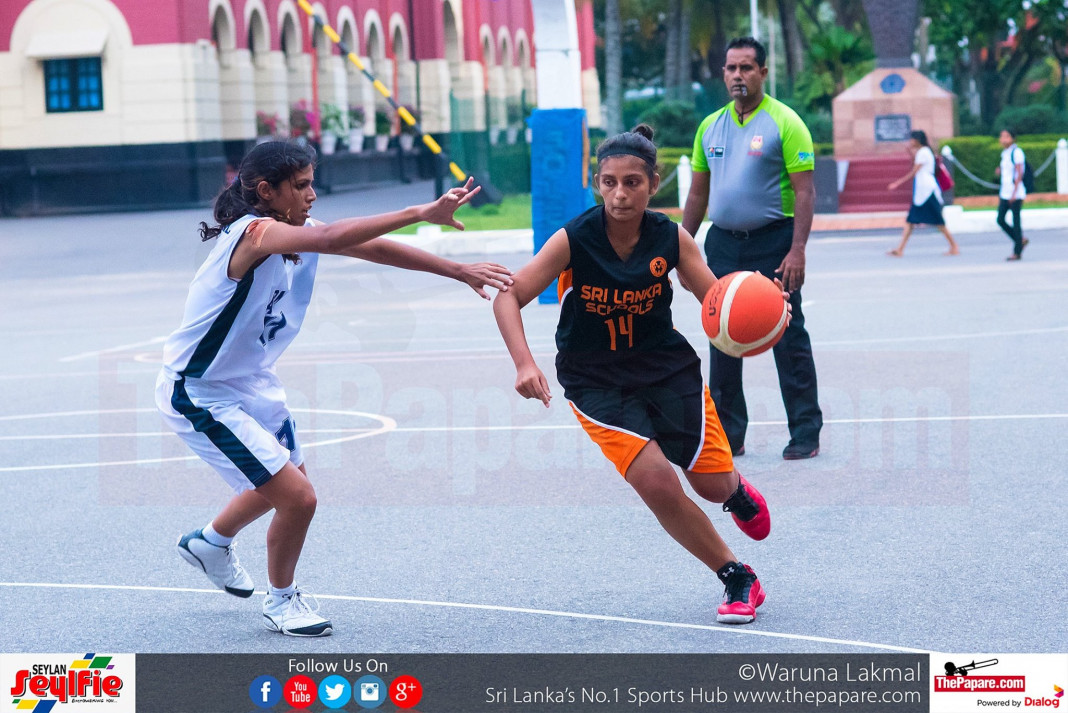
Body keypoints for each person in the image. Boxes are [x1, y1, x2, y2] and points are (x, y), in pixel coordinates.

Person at [157, 140, 512, 637]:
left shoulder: (294, 231)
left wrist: (457, 269)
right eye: (301, 186)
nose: (312, 195)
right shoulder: (255, 234)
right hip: (200, 390)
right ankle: (282, 601)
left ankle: (210, 543)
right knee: (297, 497)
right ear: (267, 191)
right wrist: (419, 210)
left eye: (311, 182)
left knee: (279, 483)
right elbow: (332, 240)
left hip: (250, 382)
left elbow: (370, 247)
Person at [493, 125, 782, 625]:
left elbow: (718, 304)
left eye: (632, 183)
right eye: (608, 183)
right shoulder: (574, 239)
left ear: (654, 183)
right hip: (595, 381)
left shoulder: (672, 238)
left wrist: (766, 315)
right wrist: (524, 362)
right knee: (658, 484)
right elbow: (507, 295)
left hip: (666, 371)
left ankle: (732, 491)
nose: (619, 194)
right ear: (596, 183)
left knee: (709, 486)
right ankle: (737, 575)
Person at [681, 36, 822, 461]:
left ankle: (805, 432)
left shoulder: (786, 122)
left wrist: (797, 250)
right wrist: (678, 248)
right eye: (731, 69)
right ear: (722, 73)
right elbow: (696, 198)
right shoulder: (710, 127)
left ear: (763, 72)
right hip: (723, 245)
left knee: (787, 335)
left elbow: (806, 193)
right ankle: (729, 436)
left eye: (746, 68)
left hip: (773, 244)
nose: (737, 76)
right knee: (722, 335)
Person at [886, 130, 960, 257]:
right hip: (922, 192)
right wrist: (909, 152)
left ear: (917, 140)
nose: (910, 141)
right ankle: (900, 249)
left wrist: (898, 183)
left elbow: (914, 171)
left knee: (938, 222)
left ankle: (954, 246)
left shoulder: (923, 152)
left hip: (927, 191)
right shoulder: (924, 152)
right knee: (910, 221)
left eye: (912, 139)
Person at [995, 128, 1029, 261]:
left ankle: (1017, 251)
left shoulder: (1017, 152)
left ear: (1013, 138)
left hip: (1015, 192)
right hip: (1005, 192)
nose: (1004, 139)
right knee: (1000, 219)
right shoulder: (1005, 153)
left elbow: (1019, 172)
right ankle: (1020, 240)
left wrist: (1014, 193)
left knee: (1016, 221)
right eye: (1002, 136)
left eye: (1007, 136)